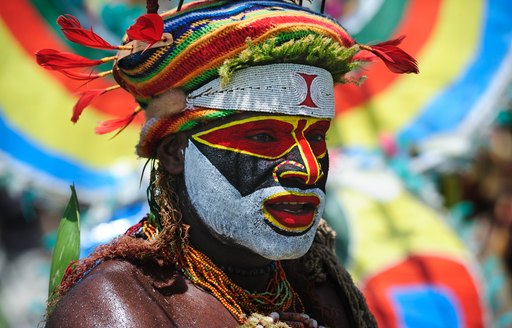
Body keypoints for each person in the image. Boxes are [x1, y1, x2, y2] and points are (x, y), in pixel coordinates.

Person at [38, 0, 418, 326]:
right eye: (263, 137)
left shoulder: (318, 277)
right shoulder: (116, 307)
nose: (308, 168)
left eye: (316, 137)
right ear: (174, 153)